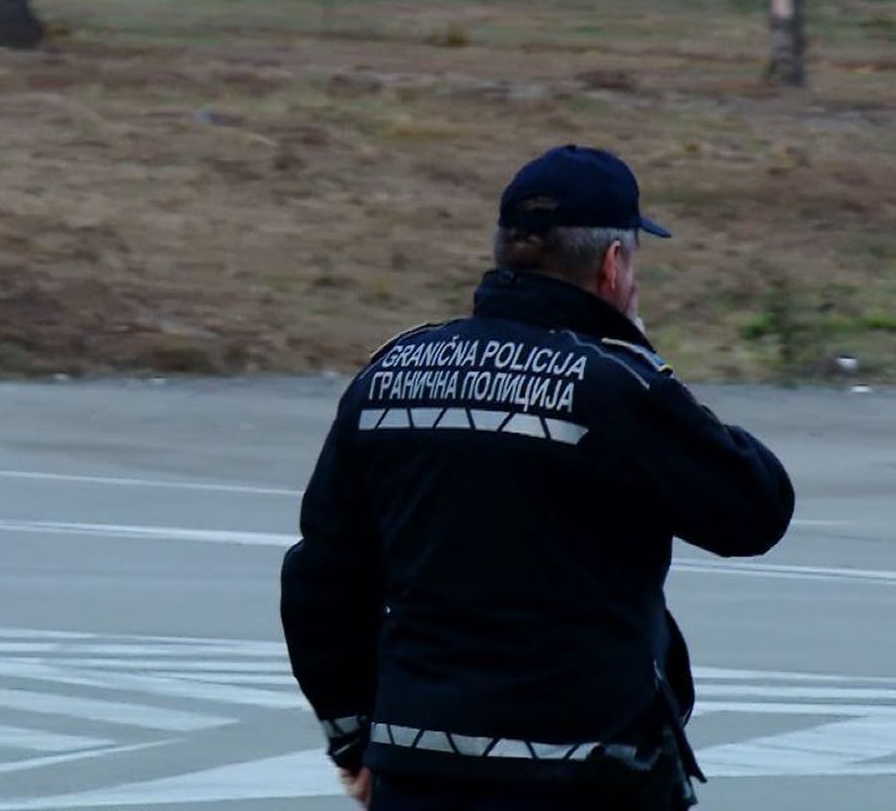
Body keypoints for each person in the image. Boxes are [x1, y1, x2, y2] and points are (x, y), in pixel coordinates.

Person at [280, 145, 795, 810]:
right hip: (582, 774)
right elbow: (755, 509)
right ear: (613, 264)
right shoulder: (612, 386)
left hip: (417, 767)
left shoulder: (387, 375)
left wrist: (353, 739)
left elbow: (321, 581)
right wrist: (644, 364)